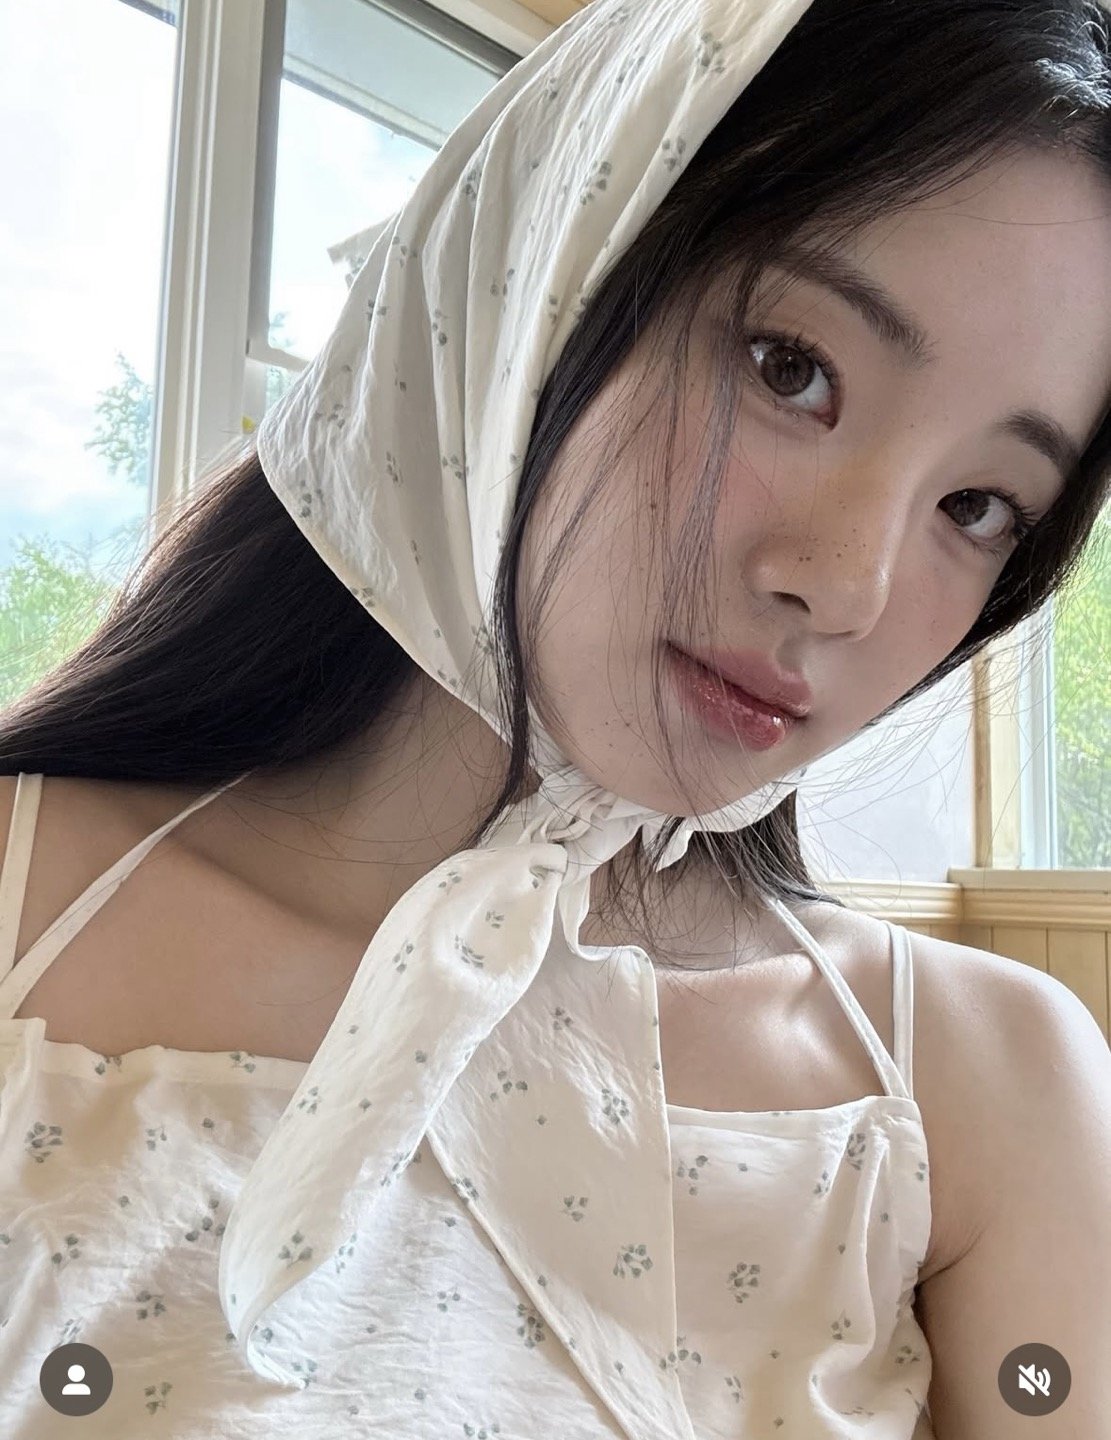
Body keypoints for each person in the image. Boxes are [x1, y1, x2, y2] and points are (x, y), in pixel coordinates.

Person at [1, 0, 1110, 1436]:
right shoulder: (22, 892)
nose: (848, 587)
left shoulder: (990, 1084)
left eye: (979, 505)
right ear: (530, 280)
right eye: (791, 368)